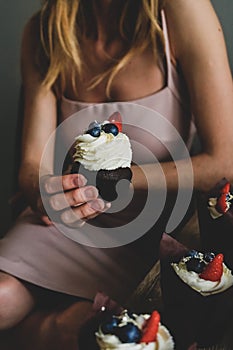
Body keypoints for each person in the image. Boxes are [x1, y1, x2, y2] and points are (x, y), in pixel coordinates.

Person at [0, 0, 233, 349]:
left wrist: (114, 181)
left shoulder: (183, 11)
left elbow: (223, 162)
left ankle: (70, 328)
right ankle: (65, 327)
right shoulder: (43, 31)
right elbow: (33, 164)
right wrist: (46, 194)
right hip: (66, 225)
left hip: (155, 231)